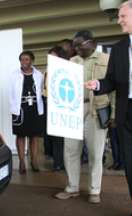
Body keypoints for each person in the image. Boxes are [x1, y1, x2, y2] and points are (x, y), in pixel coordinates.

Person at [85, 0, 132, 216]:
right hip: (127, 113)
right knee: (130, 166)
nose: (119, 20)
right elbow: (111, 81)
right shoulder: (120, 48)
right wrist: (99, 85)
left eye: (123, 16)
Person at [54, 30, 113, 204]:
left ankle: (95, 190)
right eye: (75, 45)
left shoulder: (106, 60)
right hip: (73, 109)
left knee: (96, 152)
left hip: (97, 108)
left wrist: (115, 113)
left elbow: (115, 87)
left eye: (80, 44)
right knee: (71, 150)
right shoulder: (72, 61)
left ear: (92, 42)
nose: (77, 48)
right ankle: (72, 187)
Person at [10, 51, 44, 174]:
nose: (24, 62)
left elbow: (41, 91)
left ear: (32, 61)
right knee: (20, 135)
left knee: (34, 136)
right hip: (20, 109)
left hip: (35, 108)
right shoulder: (14, 75)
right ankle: (22, 162)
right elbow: (11, 93)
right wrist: (13, 108)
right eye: (22, 60)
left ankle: (34, 161)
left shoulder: (39, 75)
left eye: (27, 59)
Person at [43, 46, 68, 171]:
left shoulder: (64, 69)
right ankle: (57, 161)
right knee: (53, 135)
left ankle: (60, 163)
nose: (51, 58)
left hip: (61, 105)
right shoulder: (47, 70)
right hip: (49, 104)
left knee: (60, 136)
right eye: (49, 56)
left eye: (54, 56)